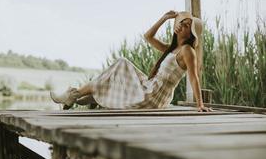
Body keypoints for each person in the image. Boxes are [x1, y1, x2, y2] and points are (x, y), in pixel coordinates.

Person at [50, 10, 212, 112]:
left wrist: (200, 104)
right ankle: (85, 95)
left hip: (153, 95)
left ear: (191, 34)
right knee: (120, 67)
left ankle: (75, 95)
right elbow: (148, 37)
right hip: (152, 88)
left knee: (121, 63)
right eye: (182, 22)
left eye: (187, 25)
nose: (182, 25)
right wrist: (164, 18)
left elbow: (193, 77)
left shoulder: (187, 51)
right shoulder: (173, 49)